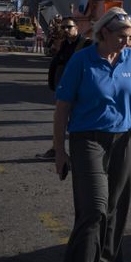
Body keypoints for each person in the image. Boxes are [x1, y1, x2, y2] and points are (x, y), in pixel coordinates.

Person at [53, 7, 131, 262]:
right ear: (104, 33)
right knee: (94, 209)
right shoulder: (82, 61)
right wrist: (59, 150)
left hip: (124, 138)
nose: (128, 42)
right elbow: (62, 107)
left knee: (115, 207)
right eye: (122, 37)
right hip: (88, 140)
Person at [38, 18, 92, 160]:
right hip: (64, 89)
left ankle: (82, 152)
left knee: (78, 121)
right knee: (59, 119)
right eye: (64, 28)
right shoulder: (64, 44)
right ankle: (56, 149)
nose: (66, 30)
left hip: (79, 91)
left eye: (69, 27)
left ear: (77, 27)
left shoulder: (86, 44)